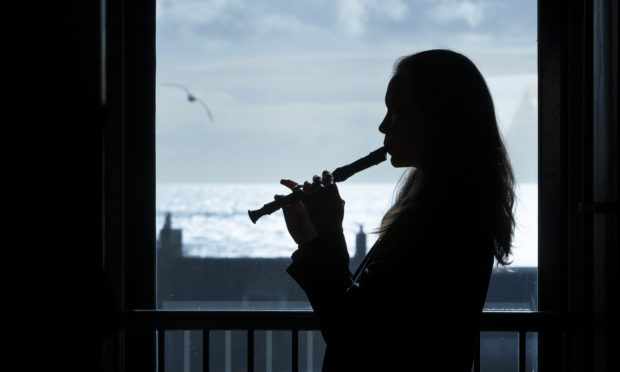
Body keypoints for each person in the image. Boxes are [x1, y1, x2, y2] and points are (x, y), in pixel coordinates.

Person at [275, 49, 516, 371]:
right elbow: (367, 313)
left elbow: (352, 331)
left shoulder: (442, 219)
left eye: (398, 112)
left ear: (439, 120)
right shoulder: (454, 206)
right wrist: (314, 237)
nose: (383, 127)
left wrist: (325, 238)